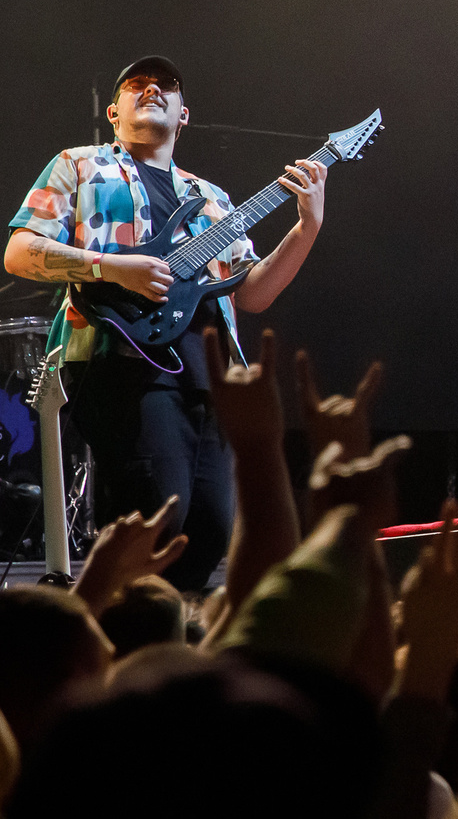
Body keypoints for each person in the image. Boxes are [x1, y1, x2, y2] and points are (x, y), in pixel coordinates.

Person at [5, 55, 330, 589]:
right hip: (124, 362)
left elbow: (254, 292)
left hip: (212, 378)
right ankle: (121, 643)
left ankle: (170, 648)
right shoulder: (80, 165)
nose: (151, 88)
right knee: (157, 517)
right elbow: (19, 253)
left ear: (183, 116)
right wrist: (112, 267)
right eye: (137, 84)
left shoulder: (213, 199)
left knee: (208, 531)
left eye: (166, 86)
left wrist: (308, 225)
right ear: (114, 112)